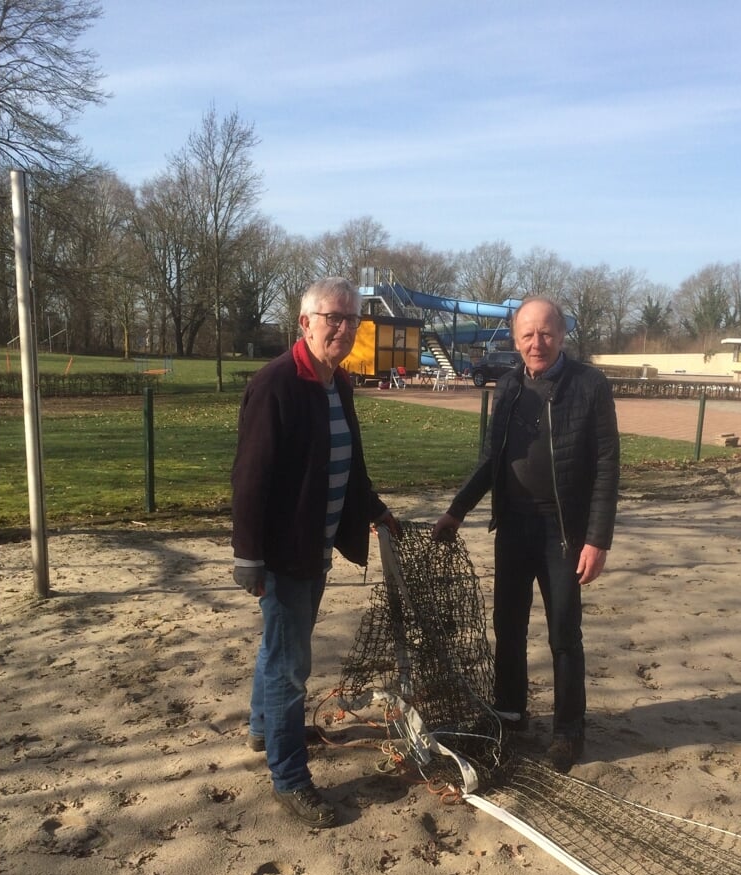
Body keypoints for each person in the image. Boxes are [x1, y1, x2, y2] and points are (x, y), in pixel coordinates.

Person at [232, 277, 401, 827]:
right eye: (333, 317)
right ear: (305, 323)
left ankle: (264, 729)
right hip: (283, 552)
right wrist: (248, 555)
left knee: (283, 645)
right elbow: (250, 478)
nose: (344, 328)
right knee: (290, 664)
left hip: (318, 543)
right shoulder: (277, 384)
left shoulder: (338, 384)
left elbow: (349, 464)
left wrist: (374, 510)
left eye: (352, 318)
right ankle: (290, 779)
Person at [431, 296, 619, 772]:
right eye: (527, 335)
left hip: (563, 534)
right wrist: (456, 511)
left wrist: (597, 540)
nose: (537, 343)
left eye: (546, 333)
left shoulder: (589, 385)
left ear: (562, 335)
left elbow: (607, 468)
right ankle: (510, 714)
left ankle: (567, 731)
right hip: (512, 528)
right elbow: (491, 461)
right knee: (507, 628)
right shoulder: (509, 385)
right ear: (515, 340)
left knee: (563, 634)